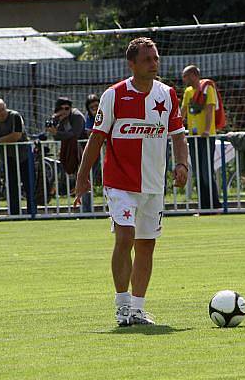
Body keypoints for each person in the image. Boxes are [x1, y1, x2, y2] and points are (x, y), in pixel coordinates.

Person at [73, 37, 189, 326]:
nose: (154, 64)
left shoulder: (167, 94)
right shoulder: (114, 95)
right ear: (132, 64)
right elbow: (97, 137)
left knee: (147, 245)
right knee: (125, 236)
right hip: (119, 183)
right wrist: (83, 175)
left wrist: (181, 164)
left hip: (152, 185)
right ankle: (122, 304)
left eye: (156, 58)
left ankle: (138, 308)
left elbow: (178, 134)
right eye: (148, 59)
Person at [181, 64, 221, 209]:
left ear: (194, 75)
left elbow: (210, 110)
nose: (183, 79)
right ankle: (203, 206)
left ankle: (214, 205)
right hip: (193, 137)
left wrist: (206, 130)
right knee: (198, 172)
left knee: (206, 171)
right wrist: (177, 128)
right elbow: (183, 111)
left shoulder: (207, 89)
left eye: (186, 76)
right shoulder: (188, 92)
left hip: (206, 136)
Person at [0, 98, 31, 216]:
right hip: (6, 157)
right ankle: (14, 213)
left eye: (3, 109)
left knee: (28, 184)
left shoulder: (15, 116)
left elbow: (16, 135)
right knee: (11, 185)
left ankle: (32, 212)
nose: (2, 113)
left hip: (23, 154)